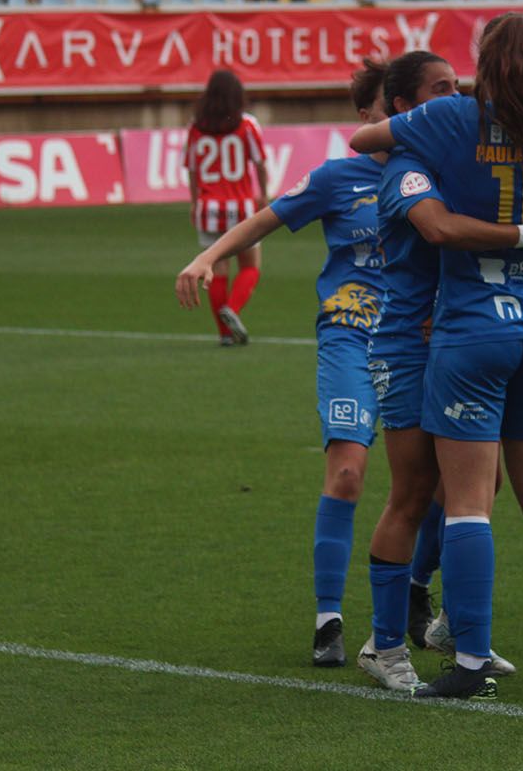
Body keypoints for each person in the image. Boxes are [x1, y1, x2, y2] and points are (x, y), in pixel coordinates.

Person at [347, 12, 523, 700]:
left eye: (457, 79)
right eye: (436, 85)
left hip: (468, 331)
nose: (451, 89)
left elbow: (365, 138)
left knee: (466, 499)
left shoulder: (448, 125)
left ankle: (463, 655)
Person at [174, 66, 389, 668]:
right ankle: (328, 619)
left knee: (434, 484)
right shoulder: (337, 177)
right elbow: (267, 214)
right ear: (369, 114)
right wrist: (207, 256)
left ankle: (419, 605)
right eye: (383, 108)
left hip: (417, 342)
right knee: (347, 474)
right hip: (349, 333)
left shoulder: (436, 176)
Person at [181, 70, 269, 346]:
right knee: (251, 266)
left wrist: (195, 201)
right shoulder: (246, 125)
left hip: (209, 209)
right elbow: (260, 162)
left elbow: (193, 170)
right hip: (241, 207)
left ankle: (224, 334)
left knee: (217, 269)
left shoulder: (197, 128)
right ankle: (233, 308)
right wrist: (263, 195)